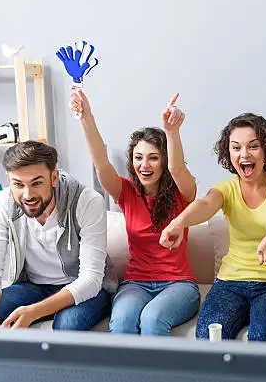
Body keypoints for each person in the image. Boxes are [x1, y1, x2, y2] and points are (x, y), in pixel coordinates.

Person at [160, 113, 266, 341]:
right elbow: (205, 204)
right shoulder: (226, 188)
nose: (244, 154)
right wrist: (178, 222)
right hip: (230, 283)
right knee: (208, 336)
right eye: (236, 148)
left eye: (253, 146)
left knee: (261, 337)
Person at [70, 89, 200, 336]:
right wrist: (86, 116)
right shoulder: (127, 193)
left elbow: (178, 167)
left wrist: (171, 132)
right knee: (121, 323)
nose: (144, 165)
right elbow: (101, 162)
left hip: (178, 284)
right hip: (136, 283)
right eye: (139, 158)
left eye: (153, 158)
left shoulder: (183, 194)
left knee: (152, 320)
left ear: (163, 162)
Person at [0, 140, 111, 330]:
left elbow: (91, 280)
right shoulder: (1, 204)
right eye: (18, 184)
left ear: (54, 177)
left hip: (84, 288)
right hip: (33, 286)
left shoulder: (86, 202)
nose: (28, 194)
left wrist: (34, 312)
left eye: (37, 183)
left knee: (68, 325)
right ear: (8, 180)